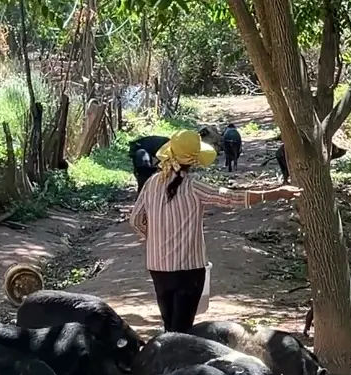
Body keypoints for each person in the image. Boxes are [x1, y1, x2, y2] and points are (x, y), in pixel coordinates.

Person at [128, 129, 301, 332]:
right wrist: (275, 193)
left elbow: (136, 220)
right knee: (182, 330)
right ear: (194, 160)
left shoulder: (150, 184)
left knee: (170, 327)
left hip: (158, 267)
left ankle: (168, 359)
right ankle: (181, 362)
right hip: (189, 269)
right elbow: (232, 198)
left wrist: (154, 237)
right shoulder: (194, 187)